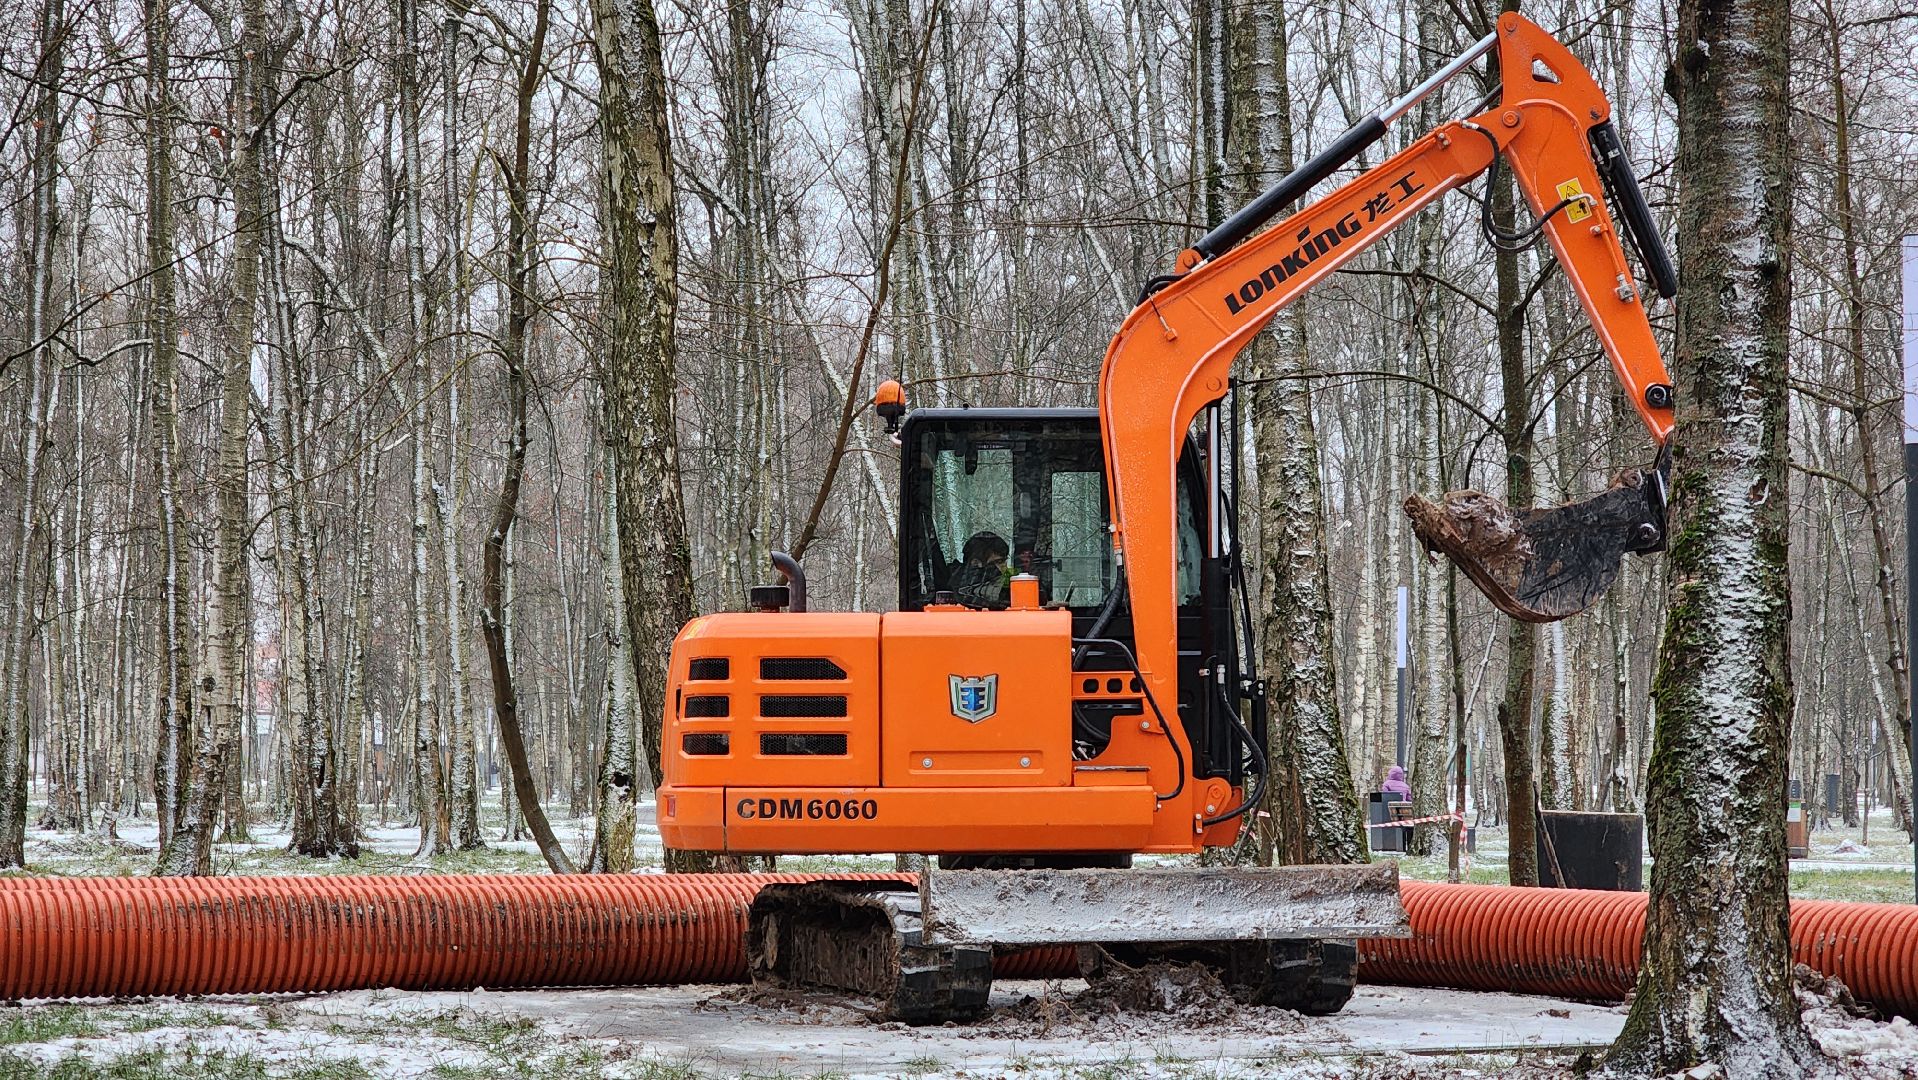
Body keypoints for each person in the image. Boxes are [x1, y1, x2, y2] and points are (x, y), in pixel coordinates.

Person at [951, 531, 1011, 609]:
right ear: (976, 563)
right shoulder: (964, 594)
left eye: (1004, 561)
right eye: (999, 562)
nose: (1005, 567)